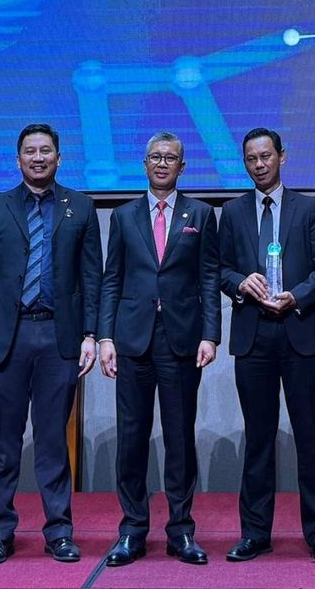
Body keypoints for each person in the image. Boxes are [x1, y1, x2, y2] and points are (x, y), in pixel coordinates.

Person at [0, 123, 102, 566]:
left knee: (52, 442)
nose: (38, 157)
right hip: (6, 339)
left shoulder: (80, 206)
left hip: (58, 338)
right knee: (3, 444)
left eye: (45, 151)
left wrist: (90, 335)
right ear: (18, 158)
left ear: (59, 158)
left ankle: (59, 532)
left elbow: (92, 277)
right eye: (30, 151)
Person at [217, 127, 315, 565]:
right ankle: (255, 533)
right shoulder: (232, 212)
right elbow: (219, 269)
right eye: (251, 159)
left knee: (311, 437)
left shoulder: (309, 208)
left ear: (282, 157)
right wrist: (240, 283)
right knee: (258, 438)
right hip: (252, 336)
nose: (259, 165)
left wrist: (298, 295)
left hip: (299, 329)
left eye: (266, 156)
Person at [98, 132, 221, 568]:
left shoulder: (200, 214)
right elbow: (112, 279)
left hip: (182, 340)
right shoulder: (124, 215)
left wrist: (210, 335)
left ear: (182, 167)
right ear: (144, 163)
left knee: (179, 438)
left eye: (170, 158)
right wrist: (105, 337)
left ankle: (181, 530)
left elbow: (209, 277)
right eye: (155, 157)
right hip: (132, 340)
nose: (162, 163)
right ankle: (132, 529)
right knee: (131, 438)